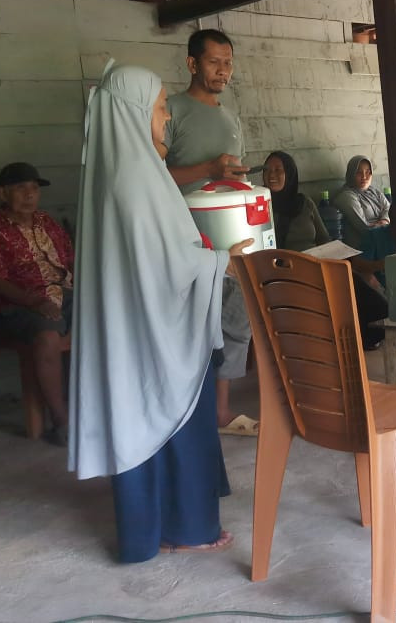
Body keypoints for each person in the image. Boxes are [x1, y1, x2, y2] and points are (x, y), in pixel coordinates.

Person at [69, 61, 252, 563]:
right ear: (132, 111)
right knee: (169, 416)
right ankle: (184, 527)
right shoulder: (134, 178)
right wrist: (224, 260)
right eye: (160, 105)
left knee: (151, 415)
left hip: (142, 326)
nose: (167, 115)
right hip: (157, 330)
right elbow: (165, 264)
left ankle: (166, 524)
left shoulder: (124, 171)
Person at [161, 28, 257, 436]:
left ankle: (219, 412)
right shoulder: (171, 110)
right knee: (189, 326)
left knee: (235, 319)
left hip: (228, 238)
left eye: (228, 62)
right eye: (214, 61)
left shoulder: (230, 117)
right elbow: (152, 178)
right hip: (182, 241)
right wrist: (208, 170)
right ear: (192, 64)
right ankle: (183, 413)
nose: (223, 70)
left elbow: (227, 177)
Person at [0, 162, 73, 446]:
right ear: (3, 194)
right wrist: (35, 300)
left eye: (34, 188)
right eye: (20, 188)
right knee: (46, 334)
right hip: (19, 304)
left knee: (109, 319)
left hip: (64, 295)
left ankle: (103, 410)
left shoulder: (47, 222)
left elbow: (71, 262)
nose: (29, 194)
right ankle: (61, 421)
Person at [264, 151, 388, 349]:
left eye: (278, 170)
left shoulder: (304, 203)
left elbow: (324, 239)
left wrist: (343, 259)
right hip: (289, 270)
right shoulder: (261, 207)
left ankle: (362, 341)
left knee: (371, 298)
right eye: (267, 170)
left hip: (318, 263)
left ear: (290, 173)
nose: (272, 175)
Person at [332, 155, 392, 256]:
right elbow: (364, 227)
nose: (364, 177)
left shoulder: (373, 191)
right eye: (359, 172)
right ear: (351, 174)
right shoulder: (346, 196)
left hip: (381, 239)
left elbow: (389, 209)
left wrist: (384, 221)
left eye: (368, 172)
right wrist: (386, 225)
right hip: (363, 248)